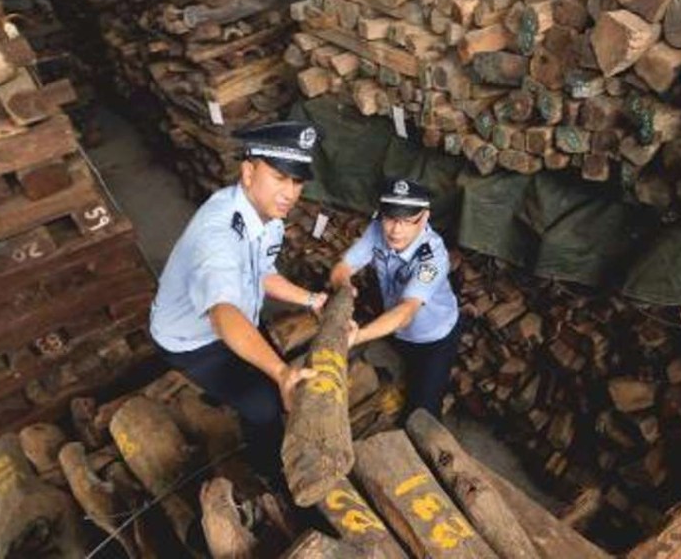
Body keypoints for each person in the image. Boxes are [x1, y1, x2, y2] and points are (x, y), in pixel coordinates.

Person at [149, 120, 326, 478]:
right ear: (248, 172)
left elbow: (262, 273)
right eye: (279, 177)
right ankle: (268, 471)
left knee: (271, 376)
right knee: (263, 404)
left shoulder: (268, 216)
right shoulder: (218, 232)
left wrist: (311, 300)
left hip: (238, 316)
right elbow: (223, 314)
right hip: (193, 339)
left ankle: (235, 395)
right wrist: (279, 372)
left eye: (296, 181)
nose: (290, 193)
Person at [330, 178, 460, 418]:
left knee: (422, 414)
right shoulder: (377, 228)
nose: (395, 230)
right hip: (398, 331)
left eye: (407, 221)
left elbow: (406, 312)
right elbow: (342, 268)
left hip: (434, 337)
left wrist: (358, 336)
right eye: (390, 218)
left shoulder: (433, 257)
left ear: (424, 217)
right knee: (402, 372)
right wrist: (345, 289)